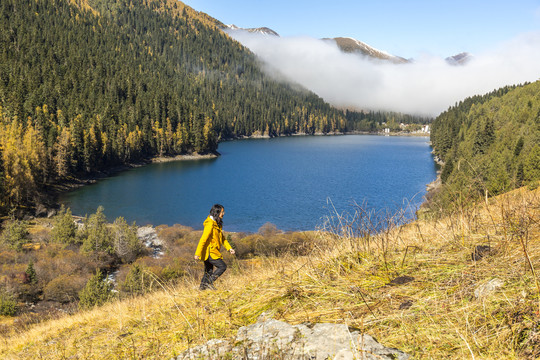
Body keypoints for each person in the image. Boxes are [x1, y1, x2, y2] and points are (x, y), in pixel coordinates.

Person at [194, 204, 235, 290]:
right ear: (217, 212)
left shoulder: (217, 223)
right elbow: (203, 239)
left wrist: (229, 248)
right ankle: (209, 283)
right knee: (222, 266)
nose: (223, 213)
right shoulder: (210, 224)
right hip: (210, 252)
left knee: (208, 272)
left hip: (212, 251)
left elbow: (222, 238)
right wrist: (197, 253)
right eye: (222, 211)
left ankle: (202, 289)